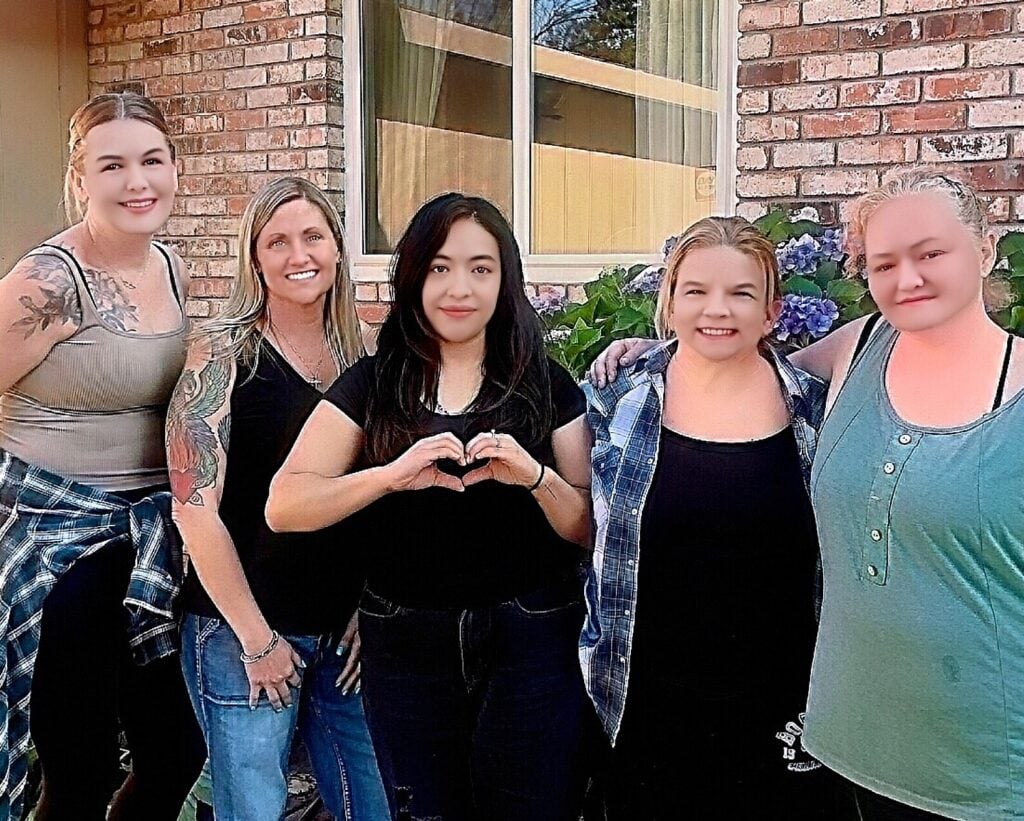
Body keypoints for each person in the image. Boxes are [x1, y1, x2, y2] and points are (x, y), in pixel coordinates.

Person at [591, 167, 1024, 820]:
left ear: (985, 245)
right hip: (844, 749)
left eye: (931, 252)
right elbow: (733, 362)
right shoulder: (858, 350)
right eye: (884, 262)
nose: (908, 278)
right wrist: (657, 349)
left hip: (982, 767)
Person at [266, 193, 594, 821]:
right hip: (407, 642)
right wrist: (389, 478)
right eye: (440, 267)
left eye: (480, 267)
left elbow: (586, 529)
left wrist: (534, 478)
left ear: (506, 280)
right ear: (414, 277)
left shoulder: (546, 384)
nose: (459, 288)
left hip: (529, 635)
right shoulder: (375, 384)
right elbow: (286, 504)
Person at [582, 216, 851, 818]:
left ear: (773, 311)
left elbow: (887, 324)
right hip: (643, 701)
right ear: (670, 301)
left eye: (741, 293)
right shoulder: (615, 399)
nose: (717, 310)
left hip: (783, 708)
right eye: (696, 290)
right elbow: (578, 530)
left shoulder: (816, 408)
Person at [0, 92, 205, 821]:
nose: (136, 181)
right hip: (60, 551)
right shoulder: (49, 281)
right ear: (80, 178)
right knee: (79, 771)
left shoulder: (171, 269)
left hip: (146, 546)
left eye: (151, 160)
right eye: (111, 164)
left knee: (179, 751)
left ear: (175, 168)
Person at [169, 176, 388, 821]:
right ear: (255, 258)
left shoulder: (371, 353)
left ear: (338, 248)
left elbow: (387, 497)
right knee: (254, 810)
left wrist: (370, 607)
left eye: (314, 236)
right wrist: (256, 639)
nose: (300, 254)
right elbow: (193, 505)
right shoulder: (223, 354)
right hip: (242, 631)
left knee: (370, 803)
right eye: (278, 241)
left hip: (344, 633)